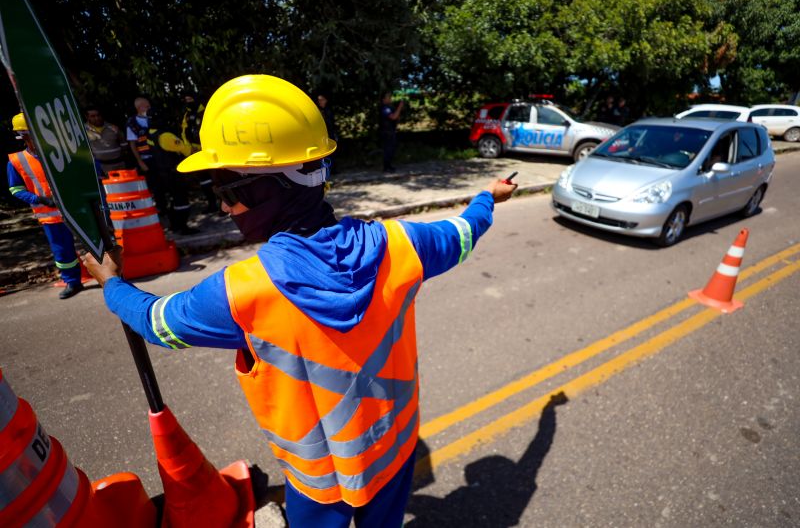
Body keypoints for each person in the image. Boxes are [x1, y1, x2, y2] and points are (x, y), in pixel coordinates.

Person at [83, 75, 517, 528]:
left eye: (226, 194)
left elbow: (154, 321)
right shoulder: (403, 244)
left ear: (269, 191)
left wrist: (111, 284)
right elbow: (464, 233)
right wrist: (487, 196)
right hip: (394, 453)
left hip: (318, 483)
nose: (224, 210)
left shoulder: (242, 292)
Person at [7, 113, 83, 299]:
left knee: (94, 242)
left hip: (75, 208)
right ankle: (73, 282)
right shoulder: (16, 161)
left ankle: (110, 275)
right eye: (30, 134)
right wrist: (39, 199)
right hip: (49, 215)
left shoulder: (59, 151)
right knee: (62, 251)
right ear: (23, 136)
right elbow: (15, 189)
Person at [126, 97, 196, 234]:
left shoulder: (150, 134)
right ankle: (182, 226)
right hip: (173, 171)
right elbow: (187, 151)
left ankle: (175, 225)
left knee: (172, 199)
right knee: (181, 199)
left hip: (162, 170)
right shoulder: (165, 136)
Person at [181, 93, 218, 212]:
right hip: (195, 151)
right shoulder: (187, 115)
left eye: (190, 98)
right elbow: (184, 132)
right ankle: (212, 204)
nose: (188, 101)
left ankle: (222, 205)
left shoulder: (206, 112)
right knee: (204, 181)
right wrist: (189, 148)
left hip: (209, 150)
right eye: (186, 99)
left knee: (216, 179)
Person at [84, 106, 127, 176]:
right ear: (87, 117)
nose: (96, 118)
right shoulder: (84, 130)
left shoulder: (113, 128)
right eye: (92, 116)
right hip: (100, 167)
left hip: (119, 165)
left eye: (98, 115)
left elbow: (124, 144)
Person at [379, 91, 404, 172]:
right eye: (388, 97)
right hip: (386, 132)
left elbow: (396, 118)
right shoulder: (385, 108)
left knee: (391, 149)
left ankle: (389, 165)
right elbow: (393, 117)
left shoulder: (389, 107)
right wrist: (400, 107)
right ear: (383, 99)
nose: (390, 99)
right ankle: (386, 167)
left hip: (390, 131)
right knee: (388, 149)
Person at [316, 92, 339, 175]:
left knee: (333, 152)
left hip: (331, 133)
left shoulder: (329, 110)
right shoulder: (318, 111)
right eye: (319, 100)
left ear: (326, 100)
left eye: (322, 100)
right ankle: (326, 170)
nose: (320, 101)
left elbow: (332, 123)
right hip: (322, 135)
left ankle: (334, 169)